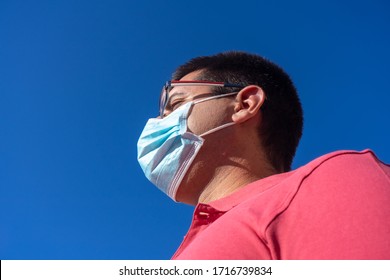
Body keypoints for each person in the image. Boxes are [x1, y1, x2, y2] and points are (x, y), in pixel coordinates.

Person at [137, 51, 390, 259]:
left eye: (177, 104)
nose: (158, 122)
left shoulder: (334, 182)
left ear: (245, 104)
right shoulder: (187, 248)